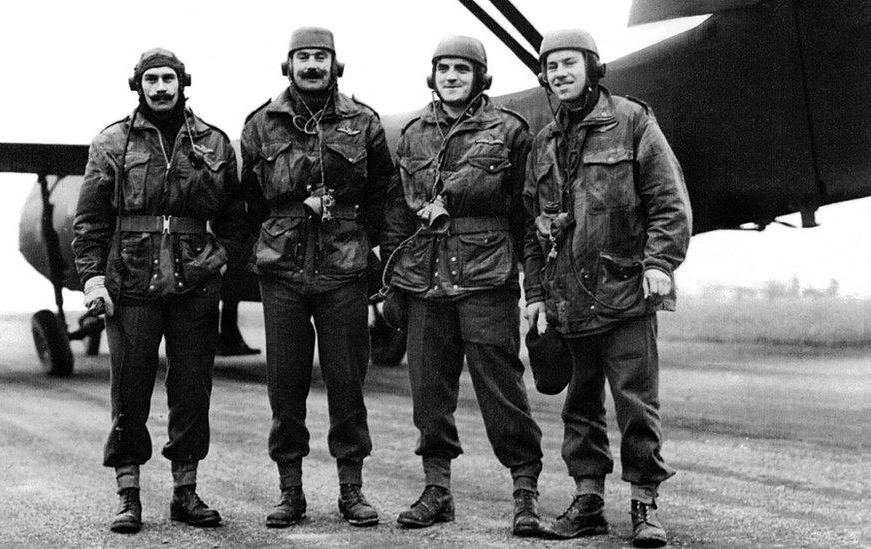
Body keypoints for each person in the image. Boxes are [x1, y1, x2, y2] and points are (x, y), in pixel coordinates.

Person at [523, 29, 692, 547]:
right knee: (580, 405)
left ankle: (644, 504)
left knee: (636, 403)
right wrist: (535, 296)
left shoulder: (634, 122)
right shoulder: (544, 142)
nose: (559, 75)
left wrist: (660, 261)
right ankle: (588, 500)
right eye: (551, 68)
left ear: (593, 68)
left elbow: (669, 201)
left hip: (623, 293)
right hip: (568, 297)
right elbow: (534, 225)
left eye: (569, 64)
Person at [73, 48, 245, 533]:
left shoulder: (213, 142)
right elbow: (90, 220)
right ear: (139, 86)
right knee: (129, 390)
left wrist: (219, 257)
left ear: (182, 82)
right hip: (131, 281)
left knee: (192, 388)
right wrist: (92, 278)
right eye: (152, 80)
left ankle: (185, 493)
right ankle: (128, 496)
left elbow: (235, 216)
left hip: (194, 283)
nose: (161, 88)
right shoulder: (112, 142)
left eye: (169, 78)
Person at [380, 35, 544, 537]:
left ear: (480, 77)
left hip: (486, 279)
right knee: (429, 390)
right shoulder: (411, 135)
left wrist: (530, 282)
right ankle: (437, 491)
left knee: (501, 388)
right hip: (423, 281)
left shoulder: (510, 131)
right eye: (444, 68)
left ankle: (525, 495)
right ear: (433, 76)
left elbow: (528, 212)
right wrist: (390, 278)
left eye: (462, 69)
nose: (451, 76)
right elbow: (395, 214)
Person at [240, 26, 394, 528]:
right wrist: (268, 241)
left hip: (343, 271)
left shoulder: (362, 121)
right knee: (285, 386)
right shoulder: (261, 124)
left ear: (335, 64)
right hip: (282, 272)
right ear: (288, 65)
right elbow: (244, 202)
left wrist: (358, 240)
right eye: (303, 57)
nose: (311, 65)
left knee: (347, 383)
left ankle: (352, 490)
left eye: (320, 57)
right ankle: (291, 492)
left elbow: (381, 194)